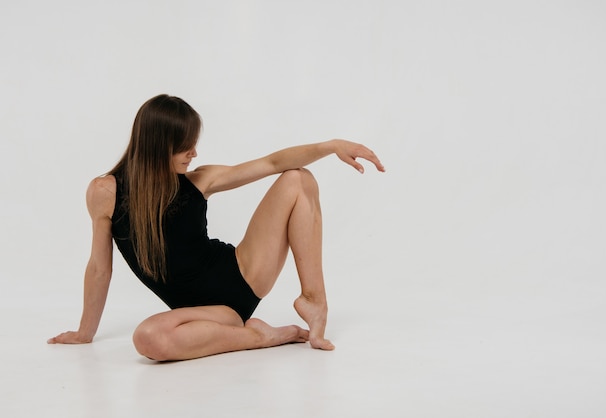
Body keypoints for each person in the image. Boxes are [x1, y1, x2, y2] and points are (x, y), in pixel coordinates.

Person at [48, 94, 385, 361]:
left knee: (298, 179)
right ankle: (262, 336)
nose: (194, 153)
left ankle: (313, 298)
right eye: (184, 146)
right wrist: (84, 332)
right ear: (156, 145)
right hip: (209, 315)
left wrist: (330, 146)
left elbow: (271, 163)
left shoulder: (200, 180)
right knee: (147, 338)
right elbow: (98, 268)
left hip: (243, 273)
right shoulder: (106, 192)